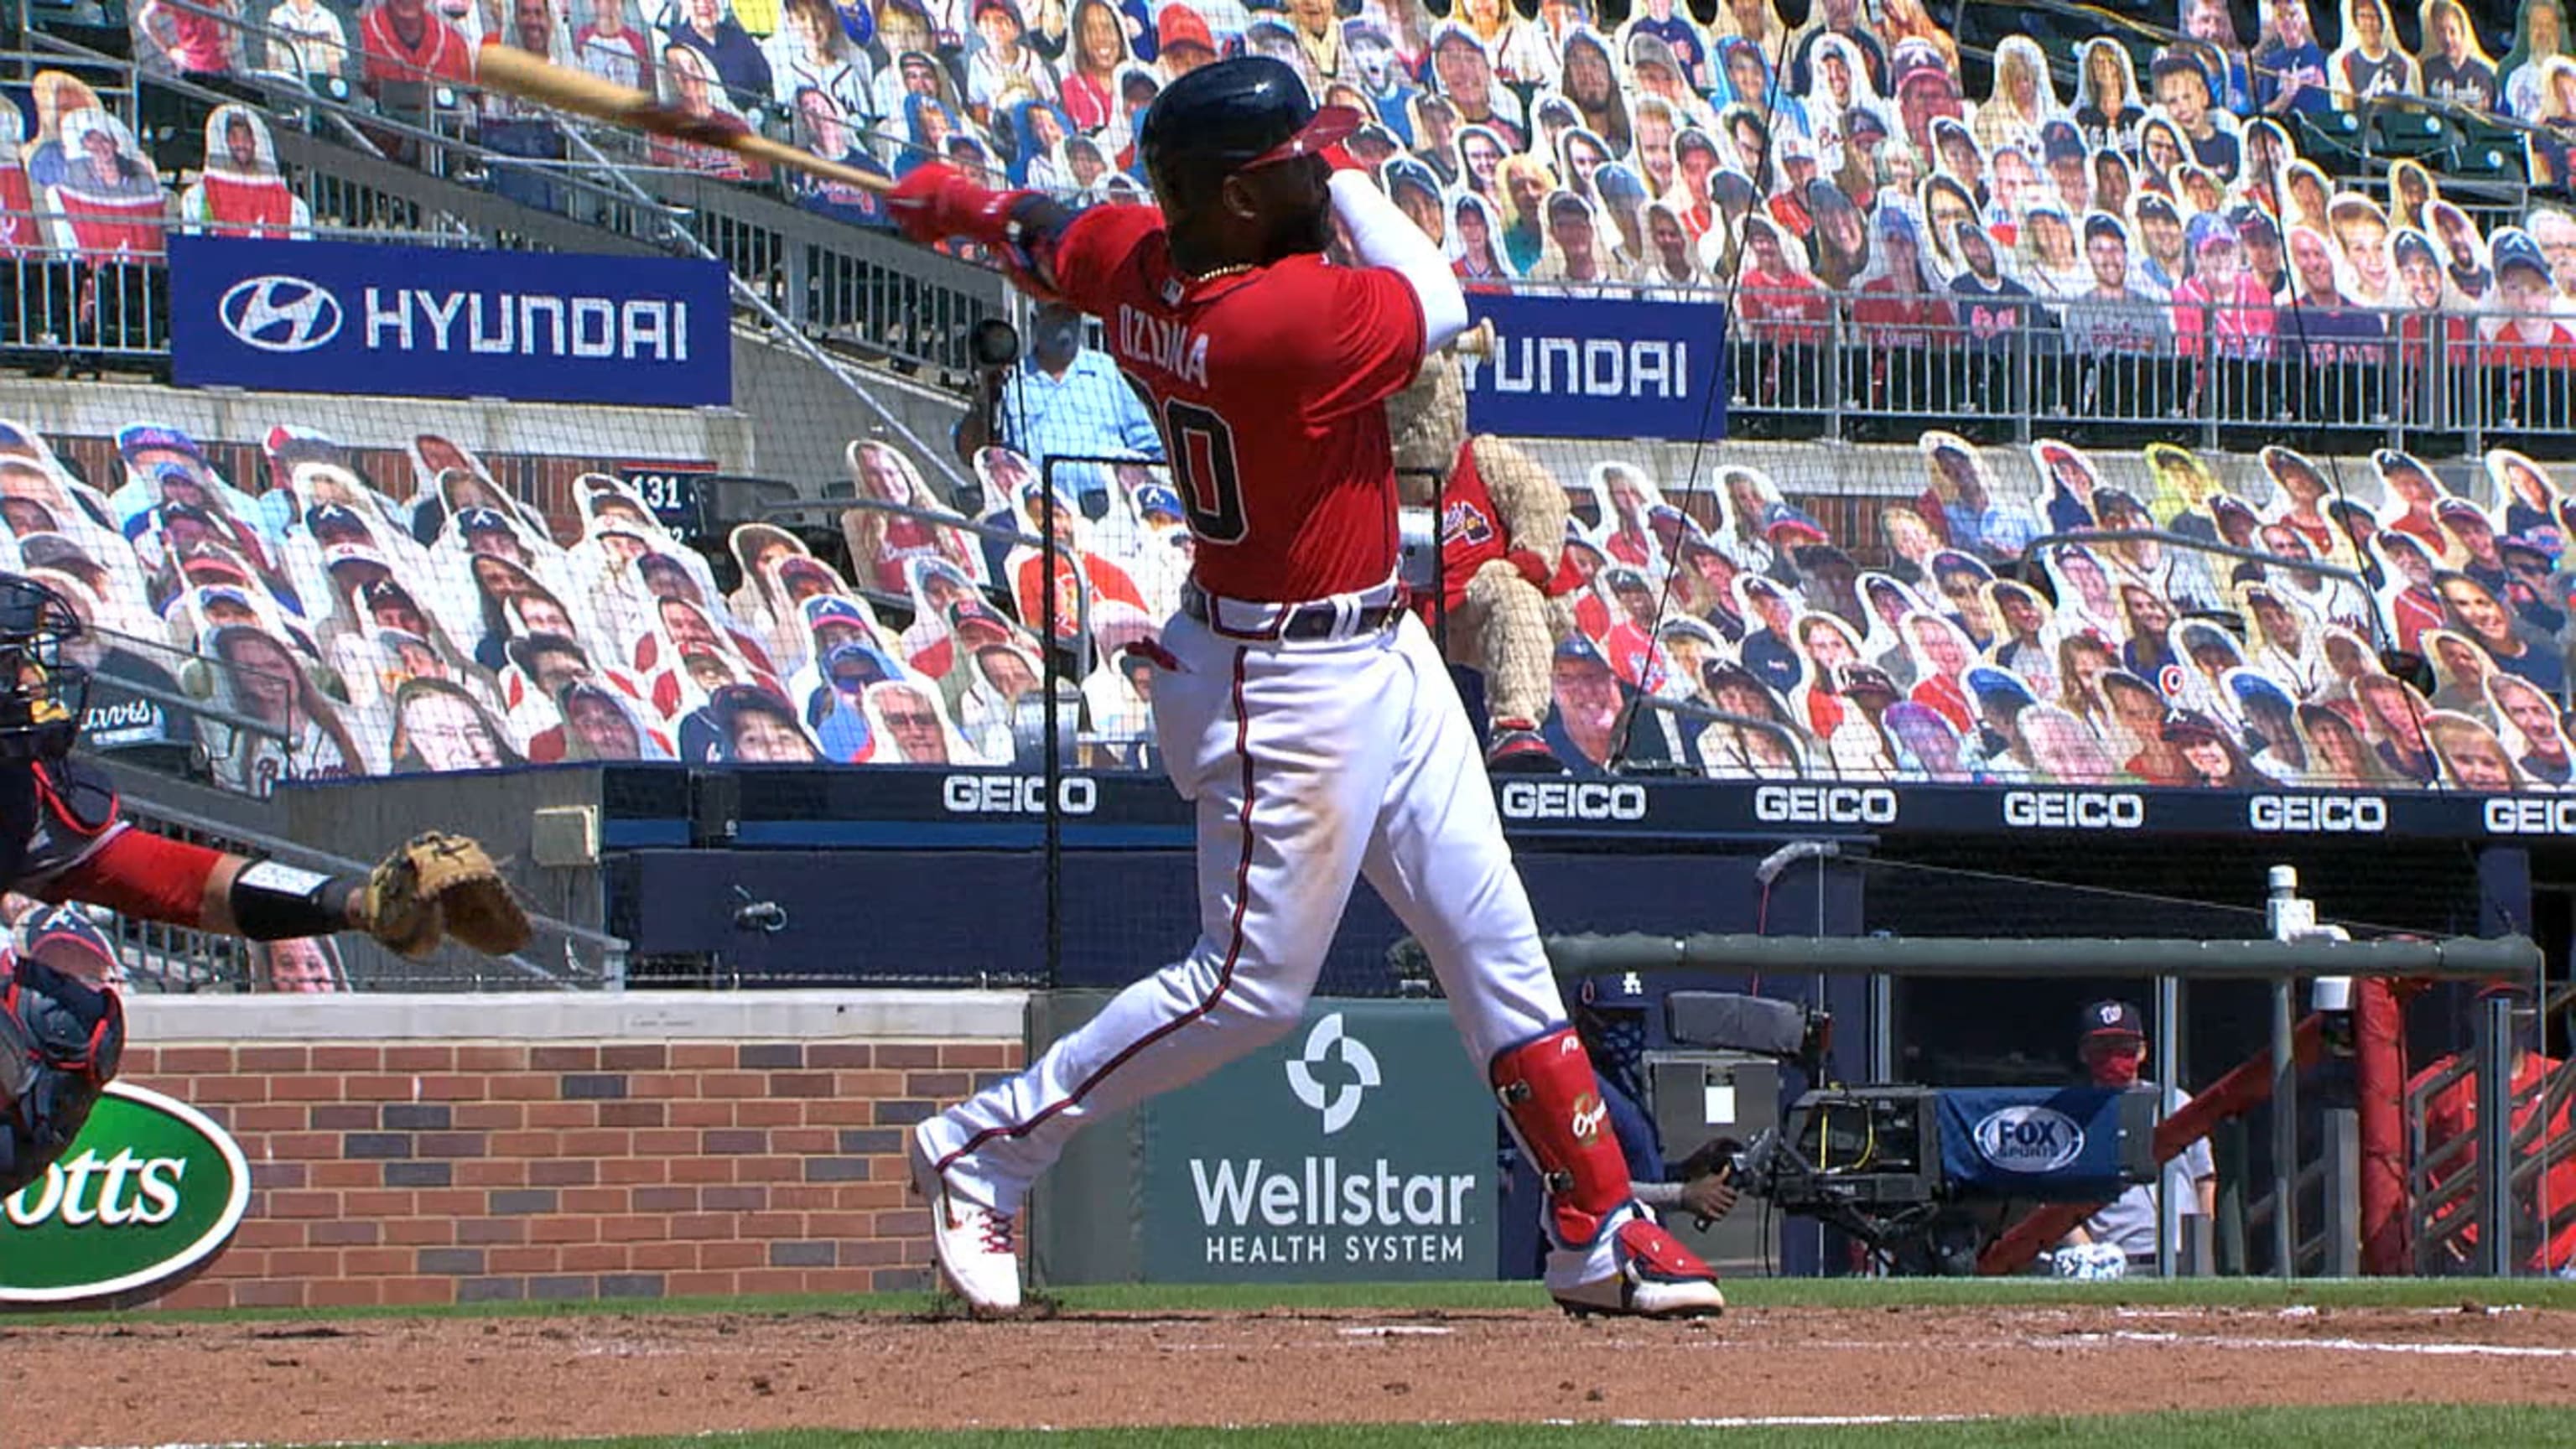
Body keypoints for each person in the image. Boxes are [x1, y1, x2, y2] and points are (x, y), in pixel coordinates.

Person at [886, 56, 1724, 1319]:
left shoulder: (1137, 260)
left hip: (1376, 650)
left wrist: (953, 201)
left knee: (1490, 937)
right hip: (1279, 680)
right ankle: (984, 1149)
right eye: (1290, 162)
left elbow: (1045, 231)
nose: (1318, 172)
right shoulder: (1281, 322)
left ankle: (1596, 1222)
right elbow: (1439, 298)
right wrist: (1338, 175)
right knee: (1246, 992)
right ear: (1232, 196)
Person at [0, 574, 525, 1202]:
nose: (31, 682)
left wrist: (358, 904)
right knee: (30, 1019)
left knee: (66, 1025)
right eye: (9, 664)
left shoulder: (18, 788)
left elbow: (176, 880)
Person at [2057, 1001, 2217, 1275]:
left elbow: (2205, 1180)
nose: (2114, 1056)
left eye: (2124, 1047)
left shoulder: (2175, 1102)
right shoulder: (2069, 1115)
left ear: (2142, 1051)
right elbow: (2053, 1201)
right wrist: (2090, 1256)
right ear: (2084, 1054)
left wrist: (2201, 1252)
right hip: (2114, 1258)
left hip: (2181, 1256)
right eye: (2103, 1048)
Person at [958, 303, 1165, 516]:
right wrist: (985, 397)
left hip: (1110, 518)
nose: (1065, 321)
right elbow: (970, 454)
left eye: (1071, 312)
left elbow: (1150, 448)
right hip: (1040, 518)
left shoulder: (1108, 372)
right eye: (1056, 312)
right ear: (1036, 318)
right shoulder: (1011, 380)